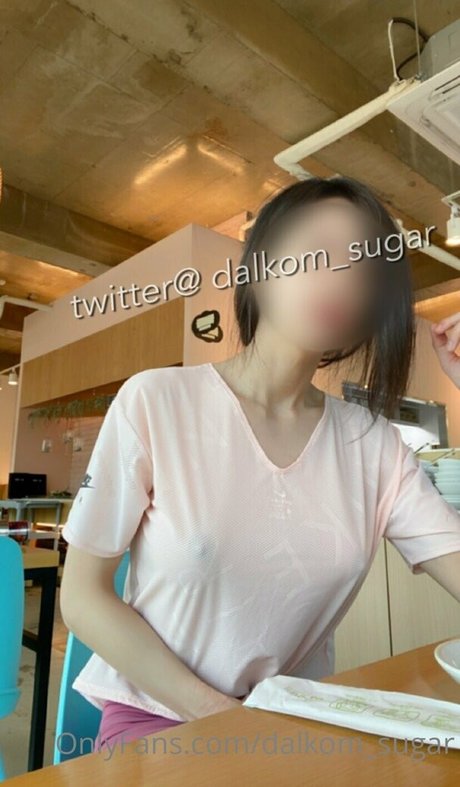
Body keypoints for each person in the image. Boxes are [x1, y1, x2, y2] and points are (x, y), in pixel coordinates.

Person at [60, 175, 460, 754]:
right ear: (261, 265)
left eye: (364, 267)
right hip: (160, 720)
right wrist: (225, 719)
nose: (341, 275)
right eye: (318, 250)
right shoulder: (157, 401)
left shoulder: (373, 444)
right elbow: (82, 596)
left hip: (298, 728)